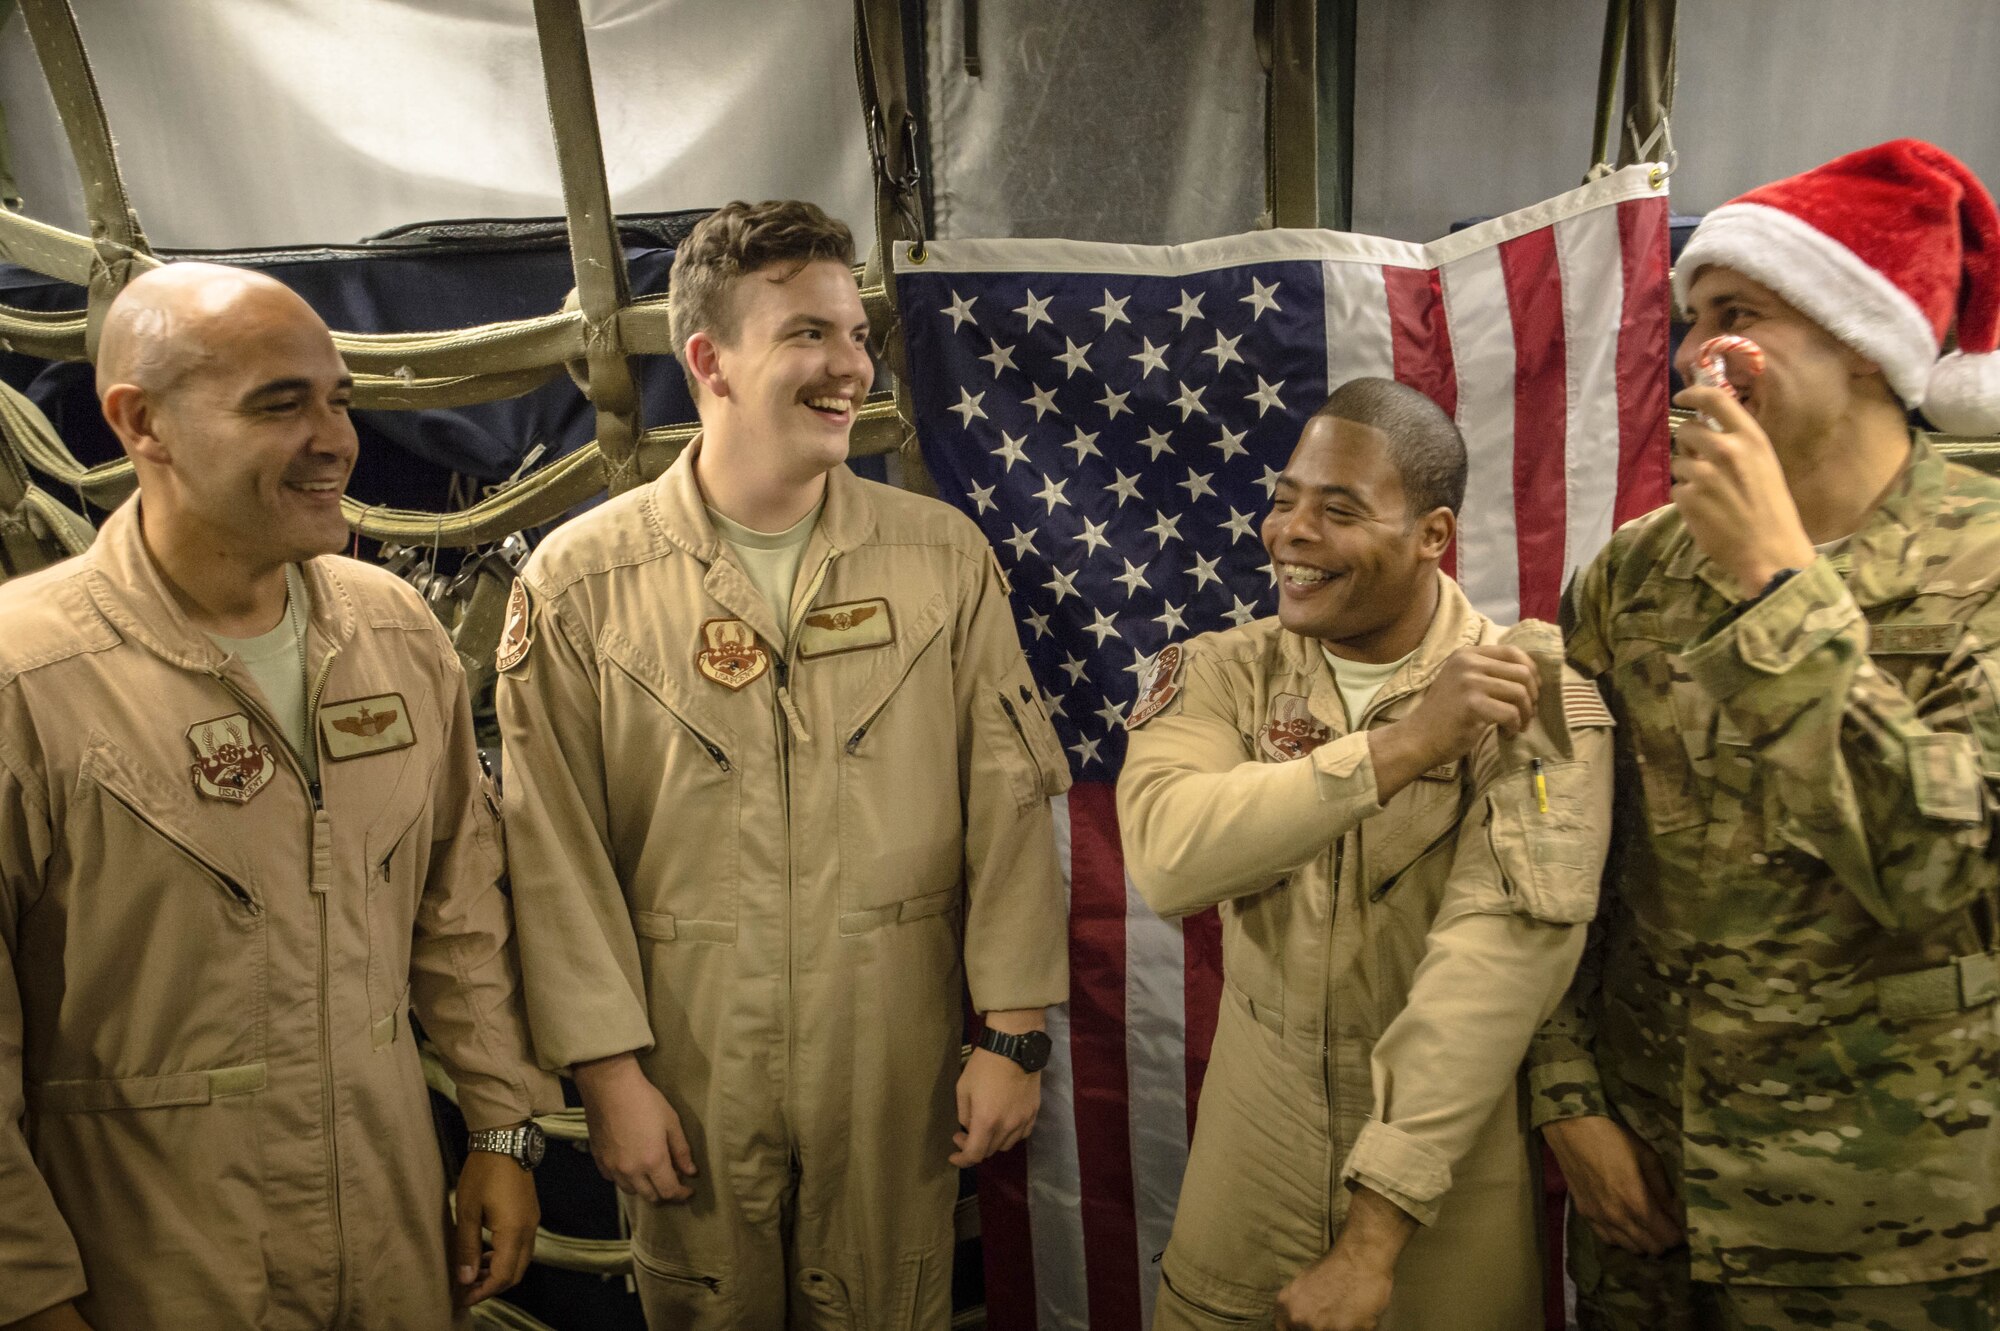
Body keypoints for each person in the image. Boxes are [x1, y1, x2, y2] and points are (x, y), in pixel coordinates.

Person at [496, 199, 1072, 1329]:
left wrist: (1012, 1027)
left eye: (854, 334)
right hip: (689, 1060)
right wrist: (608, 1075)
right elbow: (549, 852)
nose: (848, 364)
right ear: (708, 360)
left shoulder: (939, 558)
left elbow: (1007, 803)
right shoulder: (581, 584)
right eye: (807, 334)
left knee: (887, 1306)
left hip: (892, 1055)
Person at [0, 263, 559, 1331]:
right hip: (152, 1258)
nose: (334, 439)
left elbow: (458, 905)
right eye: (279, 403)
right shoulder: (27, 678)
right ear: (141, 422)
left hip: (393, 1229)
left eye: (338, 399)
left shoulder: (393, 635)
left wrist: (500, 1127)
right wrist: (25, 1289)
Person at [1531, 139, 2000, 1330]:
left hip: (1887, 1230)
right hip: (1646, 1204)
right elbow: (1546, 849)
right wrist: (1566, 1095)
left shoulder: (1986, 563)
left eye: (1735, 313)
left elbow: (1936, 869)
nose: (1695, 356)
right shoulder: (1637, 570)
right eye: (1689, 320)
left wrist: (1775, 585)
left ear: (1857, 334)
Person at [1119, 376, 1616, 1331]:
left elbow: (1492, 971)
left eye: (1338, 509)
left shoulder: (1534, 689)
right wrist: (1402, 746)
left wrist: (1379, 1224)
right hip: (1250, 1147)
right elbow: (1170, 858)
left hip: (1445, 1168)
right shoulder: (1222, 670)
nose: (1291, 532)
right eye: (1285, 498)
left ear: (1432, 535)